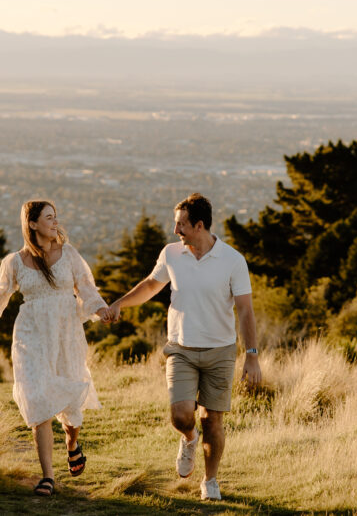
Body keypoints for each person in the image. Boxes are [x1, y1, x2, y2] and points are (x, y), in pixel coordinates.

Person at [105, 193, 261, 501]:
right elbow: (151, 285)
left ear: (199, 226)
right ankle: (189, 439)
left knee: (212, 419)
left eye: (181, 225)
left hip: (220, 351)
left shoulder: (232, 260)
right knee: (181, 415)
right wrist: (119, 303)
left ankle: (210, 480)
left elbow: (245, 310)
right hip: (181, 348)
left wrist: (252, 356)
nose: (176, 230)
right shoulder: (171, 254)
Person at [0, 200, 111, 497]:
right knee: (37, 399)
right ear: (32, 224)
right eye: (49, 218)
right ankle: (48, 477)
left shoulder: (68, 255)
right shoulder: (14, 261)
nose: (55, 222)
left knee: (70, 404)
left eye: (56, 217)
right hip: (30, 336)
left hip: (65, 334)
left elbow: (87, 289)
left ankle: (72, 443)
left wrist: (102, 311)